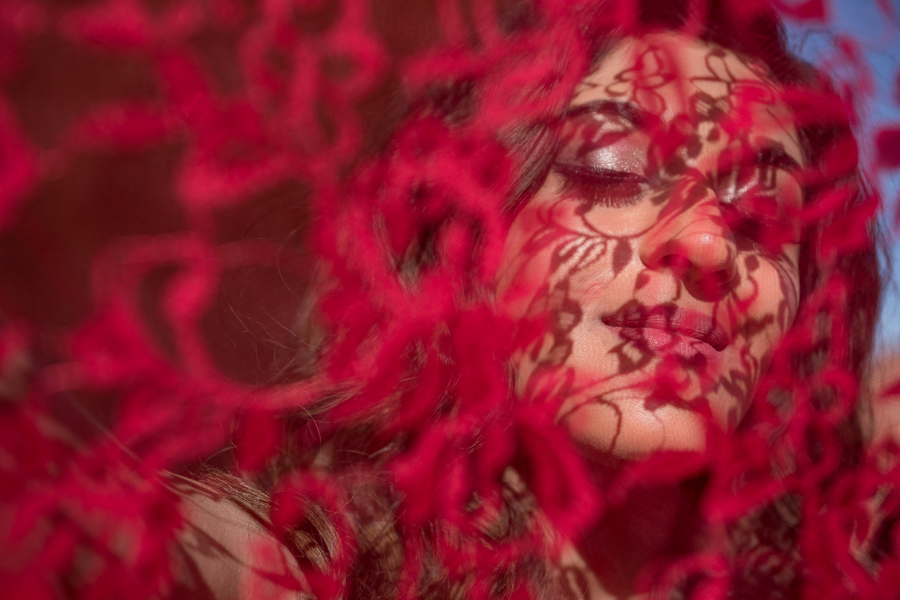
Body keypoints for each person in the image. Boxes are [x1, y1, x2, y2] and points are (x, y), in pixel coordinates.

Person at [6, 0, 878, 599]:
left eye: (765, 213)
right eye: (610, 170)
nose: (708, 245)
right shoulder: (295, 560)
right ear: (468, 237)